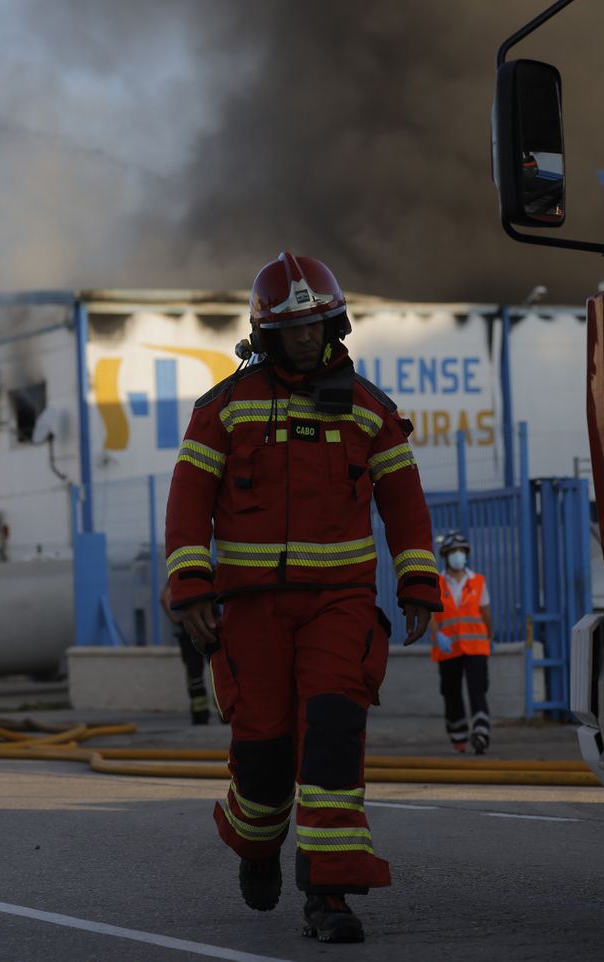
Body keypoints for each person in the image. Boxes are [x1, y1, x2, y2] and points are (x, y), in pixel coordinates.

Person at [164, 251, 439, 944]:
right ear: (267, 334)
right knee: (262, 755)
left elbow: (403, 499)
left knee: (334, 736)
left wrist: (418, 581)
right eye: (294, 328)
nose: (308, 337)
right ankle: (256, 848)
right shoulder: (224, 409)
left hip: (338, 606)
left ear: (335, 322)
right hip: (252, 610)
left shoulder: (368, 409)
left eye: (317, 323)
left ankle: (331, 894)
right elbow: (188, 502)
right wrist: (191, 587)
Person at [430, 532, 493, 753]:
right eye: (453, 552)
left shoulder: (477, 581)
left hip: (476, 646)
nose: (458, 556)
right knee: (451, 691)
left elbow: (485, 612)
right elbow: (431, 614)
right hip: (448, 646)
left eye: (462, 552)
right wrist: (438, 635)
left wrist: (489, 636)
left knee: (477, 689)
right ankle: (458, 736)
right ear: (446, 556)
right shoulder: (437, 582)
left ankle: (481, 734)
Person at [159, 583, 211, 725]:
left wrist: (176, 620)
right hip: (211, 624)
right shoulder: (211, 571)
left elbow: (164, 598)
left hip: (188, 627)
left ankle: (200, 714)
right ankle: (224, 713)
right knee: (219, 671)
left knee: (194, 674)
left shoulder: (181, 575)